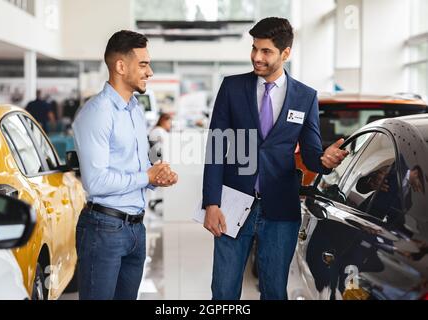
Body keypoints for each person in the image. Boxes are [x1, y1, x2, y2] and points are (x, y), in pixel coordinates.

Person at [202, 17, 348, 300]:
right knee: (222, 291)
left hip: (280, 208)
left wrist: (324, 161)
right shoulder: (232, 88)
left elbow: (310, 153)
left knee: (274, 291)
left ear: (286, 53)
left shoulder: (305, 97)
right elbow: (216, 147)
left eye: (266, 51)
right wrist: (211, 202)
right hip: (233, 204)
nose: (257, 57)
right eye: (254, 48)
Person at [72, 30, 178, 300]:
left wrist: (156, 177)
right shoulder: (97, 113)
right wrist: (146, 176)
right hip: (104, 229)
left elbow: (137, 165)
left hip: (135, 229)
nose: (150, 71)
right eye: (143, 64)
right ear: (120, 66)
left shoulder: (135, 110)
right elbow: (95, 181)